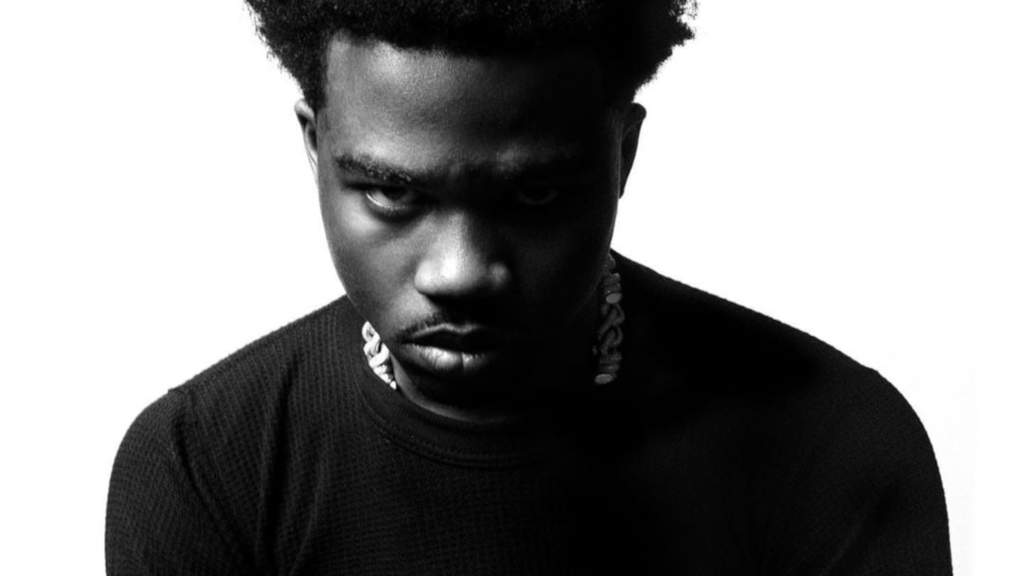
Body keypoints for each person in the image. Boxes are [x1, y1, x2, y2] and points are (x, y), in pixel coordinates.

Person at [105, 1, 952, 573]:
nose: (460, 271)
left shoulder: (834, 445)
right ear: (314, 148)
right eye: (392, 191)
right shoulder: (206, 469)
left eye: (534, 195)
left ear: (622, 156)